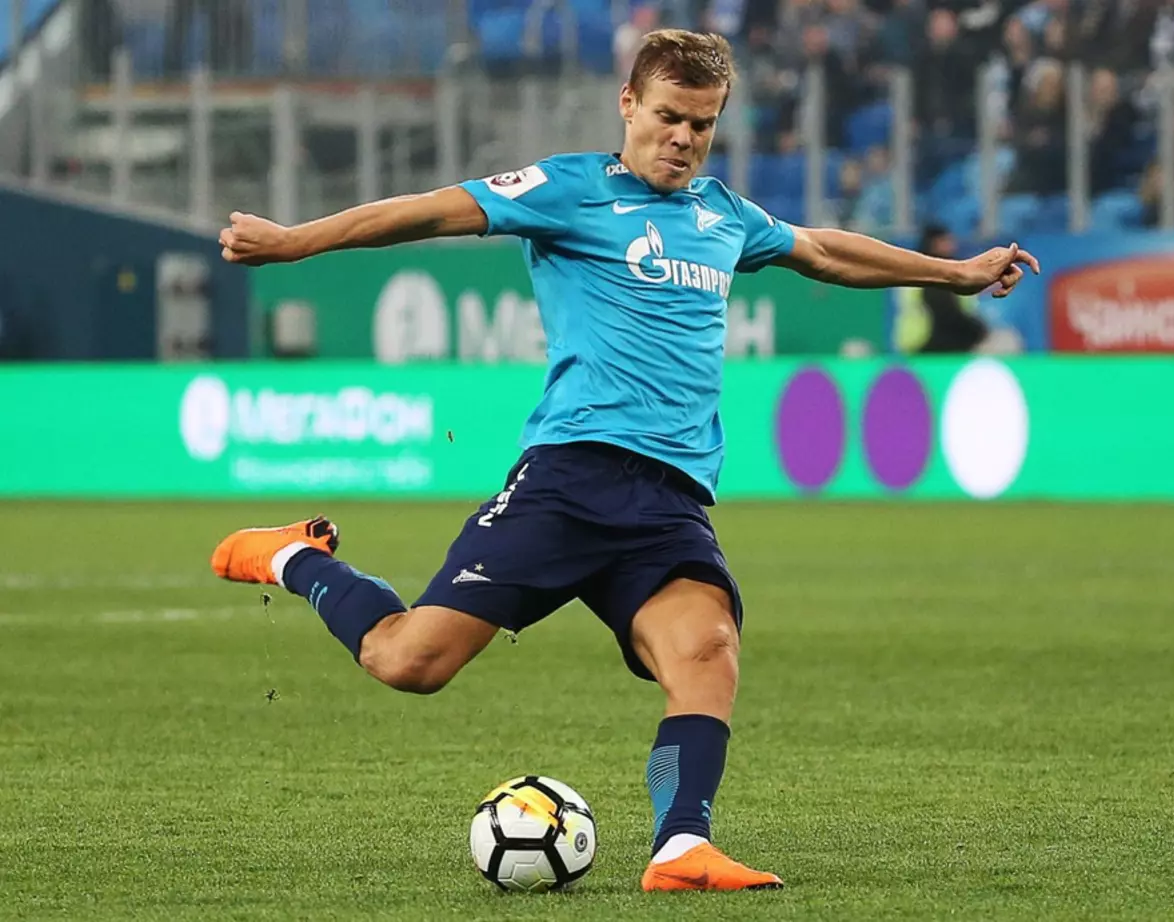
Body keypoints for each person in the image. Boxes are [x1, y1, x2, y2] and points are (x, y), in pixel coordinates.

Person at [209, 29, 1038, 893]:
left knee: (707, 649)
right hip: (570, 480)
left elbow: (825, 251)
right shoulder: (568, 189)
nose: (683, 138)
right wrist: (296, 240)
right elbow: (426, 211)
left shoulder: (724, 215)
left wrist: (955, 274)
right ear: (629, 104)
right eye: (669, 117)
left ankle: (681, 847)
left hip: (669, 501)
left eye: (702, 125)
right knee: (409, 662)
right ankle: (297, 557)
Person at [893, 224, 991, 353]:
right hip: (930, 344)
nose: (952, 245)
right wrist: (977, 330)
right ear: (934, 243)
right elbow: (947, 312)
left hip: (921, 344)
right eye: (946, 241)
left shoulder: (915, 270)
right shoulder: (937, 275)